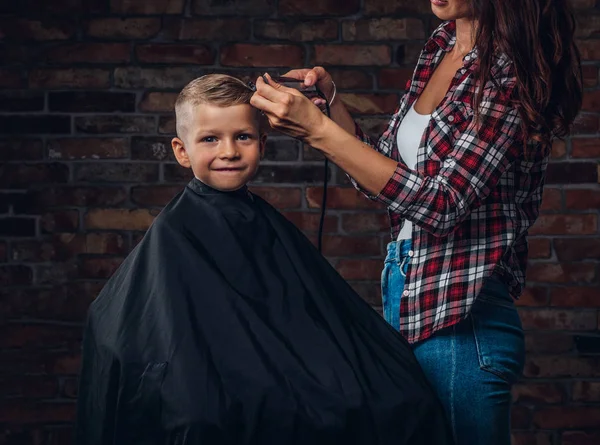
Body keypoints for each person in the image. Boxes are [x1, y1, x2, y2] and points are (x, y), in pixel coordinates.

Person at [250, 1, 583, 444]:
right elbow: (389, 174)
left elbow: (442, 204)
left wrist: (318, 131)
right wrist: (330, 107)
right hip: (406, 294)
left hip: (462, 319)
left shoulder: (510, 71)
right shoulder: (441, 46)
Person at [75, 74, 453, 445]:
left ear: (263, 143)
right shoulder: (175, 234)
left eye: (243, 136)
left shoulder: (266, 225)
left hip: (277, 379)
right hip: (212, 390)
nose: (228, 151)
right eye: (210, 139)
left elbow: (304, 319)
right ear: (181, 151)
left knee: (400, 400)